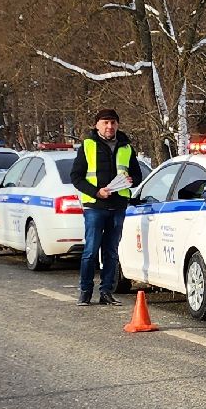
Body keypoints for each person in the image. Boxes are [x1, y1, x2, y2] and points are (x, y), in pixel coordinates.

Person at [69, 108, 142, 306]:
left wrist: (131, 179)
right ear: (97, 125)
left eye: (113, 123)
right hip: (95, 205)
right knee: (91, 251)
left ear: (117, 125)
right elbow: (76, 177)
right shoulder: (88, 145)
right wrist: (96, 192)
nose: (109, 127)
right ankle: (85, 292)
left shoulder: (126, 147)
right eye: (105, 123)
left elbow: (137, 175)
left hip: (118, 205)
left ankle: (106, 292)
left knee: (111, 251)